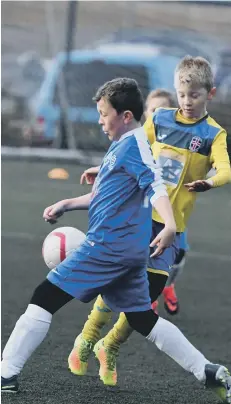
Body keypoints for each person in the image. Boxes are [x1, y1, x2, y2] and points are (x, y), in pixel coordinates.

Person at [67, 57, 231, 401]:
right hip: (140, 216)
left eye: (194, 96)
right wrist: (103, 166)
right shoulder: (159, 119)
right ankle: (86, 339)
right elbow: (132, 147)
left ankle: (108, 345)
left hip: (173, 227)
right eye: (182, 94)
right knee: (119, 283)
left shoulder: (213, 133)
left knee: (149, 293)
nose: (186, 101)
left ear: (209, 94)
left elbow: (226, 169)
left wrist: (210, 181)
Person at [1, 77, 176, 393]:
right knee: (132, 313)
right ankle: (92, 344)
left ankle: (10, 372)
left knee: (53, 298)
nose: (99, 120)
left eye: (102, 112)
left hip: (135, 236)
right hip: (132, 238)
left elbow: (153, 183)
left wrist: (170, 223)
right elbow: (126, 175)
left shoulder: (155, 142)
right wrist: (70, 200)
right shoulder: (132, 140)